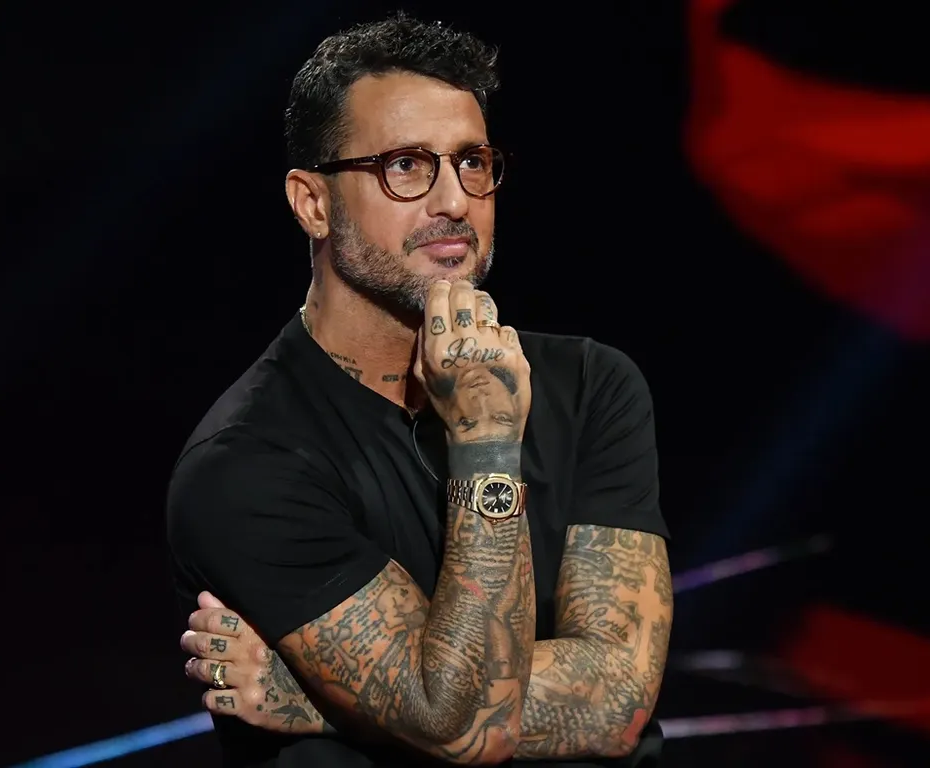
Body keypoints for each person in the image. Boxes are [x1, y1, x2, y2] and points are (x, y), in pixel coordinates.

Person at [166, 13, 672, 767]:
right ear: (312, 203)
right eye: (405, 166)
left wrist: (325, 699)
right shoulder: (245, 464)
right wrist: (487, 440)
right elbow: (464, 726)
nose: (455, 201)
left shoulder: (593, 385)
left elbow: (617, 703)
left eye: (472, 163)